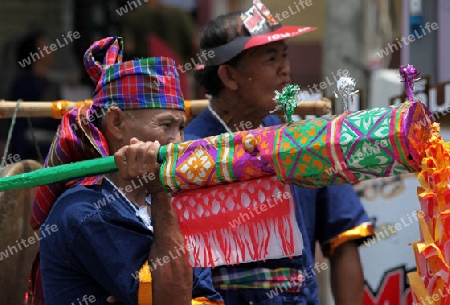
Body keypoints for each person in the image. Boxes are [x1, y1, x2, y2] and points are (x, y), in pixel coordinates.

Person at [184, 2, 374, 304]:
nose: (285, 68)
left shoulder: (303, 143)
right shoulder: (191, 155)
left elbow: (344, 236)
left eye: (285, 55)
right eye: (270, 58)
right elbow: (190, 278)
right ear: (229, 77)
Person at [28, 36, 224, 305]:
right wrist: (160, 192)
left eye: (181, 127)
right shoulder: (85, 212)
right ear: (117, 122)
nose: (178, 142)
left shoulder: (159, 200)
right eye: (165, 125)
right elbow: (171, 299)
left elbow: (207, 297)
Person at [8, 30, 61, 162]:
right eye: (45, 46)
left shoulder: (48, 84)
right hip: (33, 152)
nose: (51, 49)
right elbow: (17, 127)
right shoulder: (23, 84)